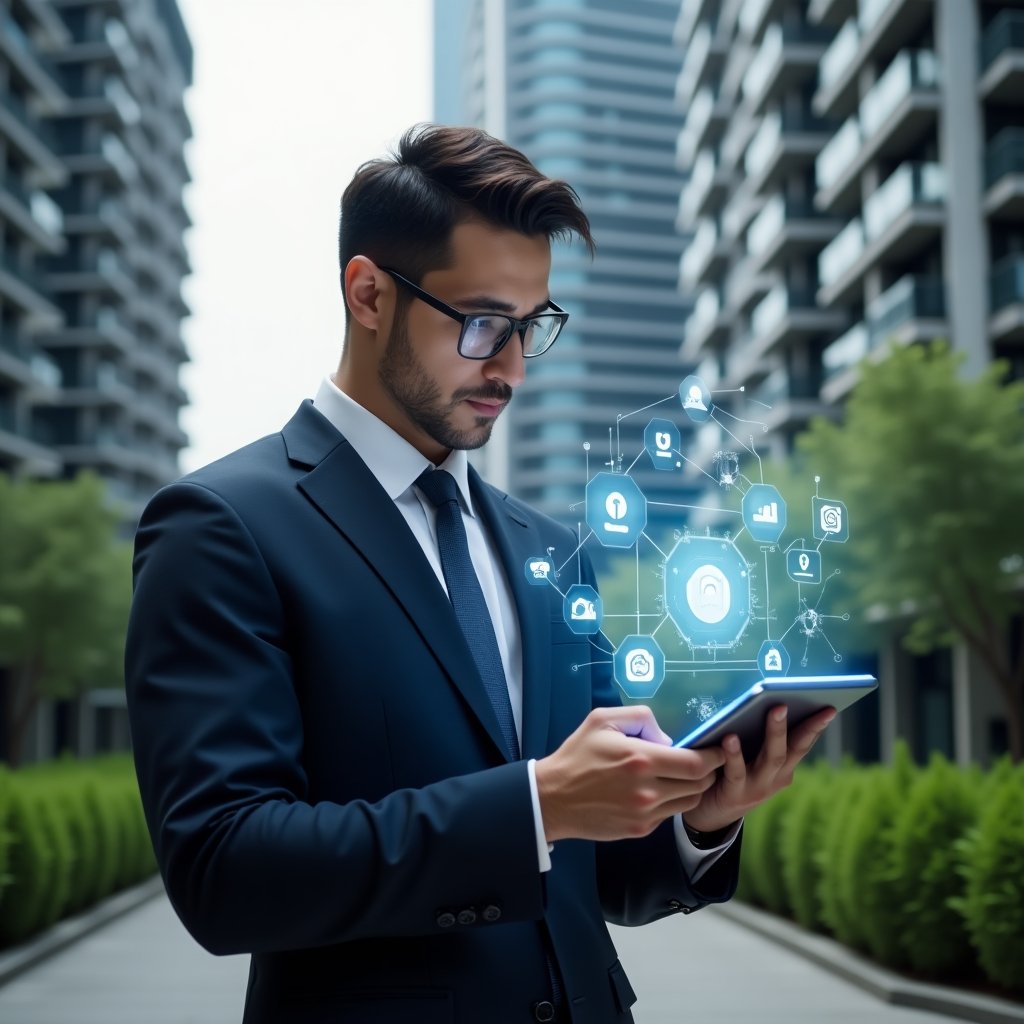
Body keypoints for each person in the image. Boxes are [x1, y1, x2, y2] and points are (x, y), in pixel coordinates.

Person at [125, 124, 834, 1024]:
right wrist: (534, 804)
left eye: (530, 327)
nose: (509, 368)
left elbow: (603, 872)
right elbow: (224, 869)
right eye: (481, 323)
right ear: (369, 292)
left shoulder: (546, 545)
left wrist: (701, 817)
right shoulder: (223, 527)